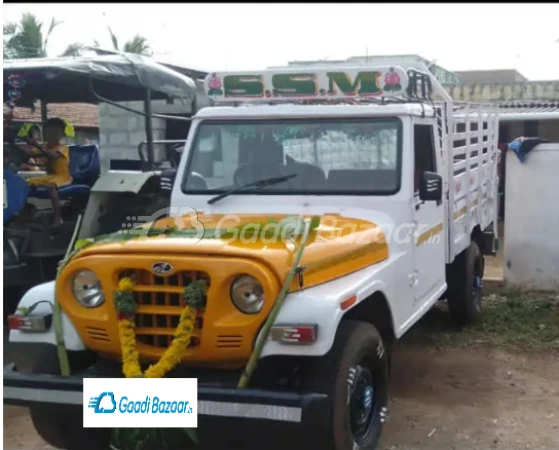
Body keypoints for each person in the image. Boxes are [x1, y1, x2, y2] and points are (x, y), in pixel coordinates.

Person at [25, 118, 73, 227]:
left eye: (55, 133)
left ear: (61, 134)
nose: (51, 135)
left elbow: (53, 156)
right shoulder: (44, 147)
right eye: (48, 132)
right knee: (25, 183)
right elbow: (30, 155)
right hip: (49, 176)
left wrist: (37, 145)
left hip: (63, 176)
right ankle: (26, 211)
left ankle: (58, 217)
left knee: (51, 186)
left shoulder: (62, 147)